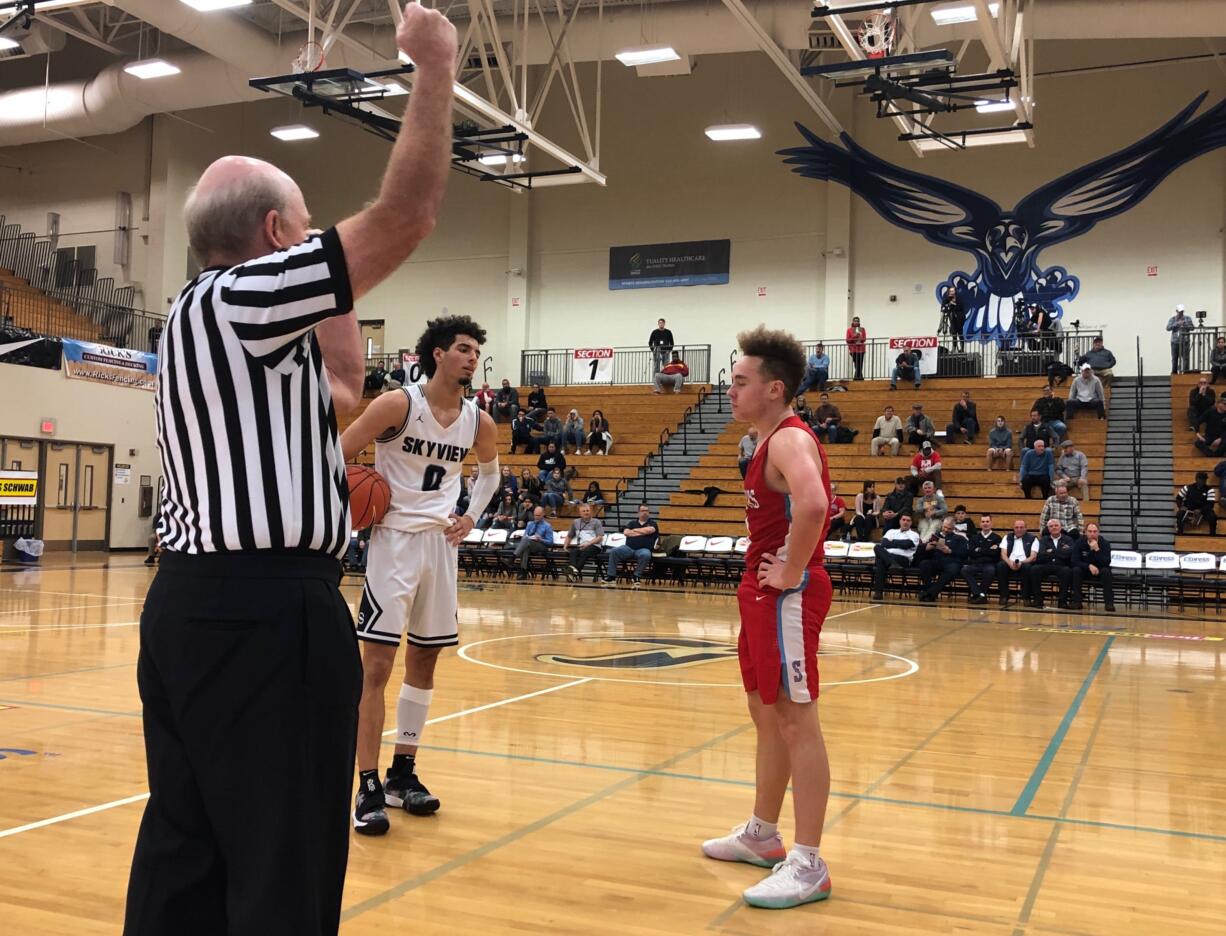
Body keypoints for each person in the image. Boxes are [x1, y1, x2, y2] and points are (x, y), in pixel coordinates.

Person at [124, 6, 457, 931]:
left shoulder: (199, 319)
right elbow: (408, 216)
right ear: (275, 236)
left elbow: (347, 384)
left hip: (194, 608)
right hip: (263, 616)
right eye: (305, 233)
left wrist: (339, 278)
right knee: (285, 865)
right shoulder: (243, 303)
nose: (317, 249)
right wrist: (435, 68)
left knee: (187, 853)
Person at [341, 314, 500, 841]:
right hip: (393, 543)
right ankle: (365, 782)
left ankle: (400, 773)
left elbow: (492, 473)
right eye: (462, 348)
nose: (471, 357)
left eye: (476, 350)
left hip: (440, 545)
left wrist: (472, 515)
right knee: (377, 665)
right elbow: (337, 453)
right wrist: (347, 510)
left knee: (425, 660)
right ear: (437, 354)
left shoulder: (479, 420)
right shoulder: (397, 404)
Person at [702, 325, 834, 910]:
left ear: (774, 389)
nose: (730, 391)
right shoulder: (765, 440)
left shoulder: (787, 440)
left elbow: (815, 504)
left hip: (787, 595)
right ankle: (763, 834)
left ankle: (809, 863)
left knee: (794, 720)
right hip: (761, 594)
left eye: (739, 382)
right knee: (764, 713)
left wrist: (791, 572)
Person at [1025, 518, 1076, 610]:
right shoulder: (1043, 540)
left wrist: (1051, 552)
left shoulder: (1069, 539)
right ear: (1048, 529)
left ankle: (1062, 601)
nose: (1054, 527)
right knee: (1034, 569)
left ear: (1061, 527)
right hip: (1046, 565)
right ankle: (1038, 600)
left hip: (1062, 565)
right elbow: (1040, 555)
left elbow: (1069, 554)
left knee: (1067, 571)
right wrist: (1060, 552)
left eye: (1056, 525)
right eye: (1051, 526)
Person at [603, 504, 659, 586]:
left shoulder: (653, 523)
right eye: (643, 511)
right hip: (628, 548)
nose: (645, 513)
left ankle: (636, 576)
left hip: (643, 549)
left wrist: (634, 531)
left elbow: (649, 530)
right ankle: (611, 576)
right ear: (638, 512)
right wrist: (642, 532)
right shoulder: (632, 523)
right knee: (614, 551)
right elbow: (626, 532)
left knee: (646, 554)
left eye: (647, 511)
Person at [916, 516, 968, 602]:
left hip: (952, 562)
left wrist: (950, 551)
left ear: (953, 528)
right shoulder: (935, 537)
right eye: (944, 527)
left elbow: (964, 553)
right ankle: (930, 591)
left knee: (951, 569)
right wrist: (927, 548)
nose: (946, 530)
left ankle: (929, 593)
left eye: (949, 528)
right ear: (942, 525)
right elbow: (920, 552)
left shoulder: (960, 538)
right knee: (924, 563)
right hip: (937, 561)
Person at [870, 513, 920, 600]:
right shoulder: (891, 531)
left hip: (903, 559)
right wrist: (900, 543)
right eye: (903, 520)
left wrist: (892, 542)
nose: (905, 522)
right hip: (889, 557)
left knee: (881, 561)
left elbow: (907, 544)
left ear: (911, 523)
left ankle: (878, 592)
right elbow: (884, 543)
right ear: (900, 521)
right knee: (877, 547)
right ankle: (893, 564)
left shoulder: (914, 534)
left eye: (908, 520)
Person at [1072, 522, 1116, 612]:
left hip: (1100, 569)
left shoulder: (1105, 543)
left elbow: (1106, 562)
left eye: (1095, 531)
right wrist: (1088, 566)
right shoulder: (1079, 542)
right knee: (1076, 570)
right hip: (1085, 569)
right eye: (1090, 531)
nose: (1092, 534)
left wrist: (1097, 550)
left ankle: (1109, 603)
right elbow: (1074, 561)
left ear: (1098, 532)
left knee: (1106, 571)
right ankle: (1077, 602)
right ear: (1085, 532)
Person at [996, 519, 1039, 608]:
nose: (1019, 529)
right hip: (1009, 563)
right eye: (1016, 527)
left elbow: (1033, 557)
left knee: (1028, 568)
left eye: (1021, 527)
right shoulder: (1007, 537)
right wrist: (1010, 563)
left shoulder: (1033, 538)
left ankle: (1026, 597)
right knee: (1000, 566)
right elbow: (1003, 554)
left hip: (1024, 563)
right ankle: (1004, 595)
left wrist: (1020, 563)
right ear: (1013, 528)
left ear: (1026, 528)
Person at [962, 514, 1002, 604]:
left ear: (991, 523)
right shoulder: (974, 537)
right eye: (983, 522)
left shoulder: (997, 538)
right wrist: (988, 550)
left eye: (987, 521)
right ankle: (980, 594)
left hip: (989, 564)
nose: (985, 524)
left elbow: (995, 554)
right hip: (976, 563)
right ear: (980, 524)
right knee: (964, 570)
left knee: (990, 571)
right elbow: (971, 553)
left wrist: (979, 549)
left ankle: (978, 595)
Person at [563, 502, 605, 581]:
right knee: (573, 552)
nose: (586, 512)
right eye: (584, 511)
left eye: (587, 510)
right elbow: (570, 535)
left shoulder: (597, 522)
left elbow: (600, 537)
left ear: (590, 511)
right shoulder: (575, 522)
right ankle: (574, 572)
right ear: (580, 513)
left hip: (595, 546)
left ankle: (573, 571)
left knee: (584, 552)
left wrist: (588, 543)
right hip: (582, 545)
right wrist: (565, 546)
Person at [510, 506, 554, 578]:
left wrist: (540, 539)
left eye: (538, 515)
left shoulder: (547, 526)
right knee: (526, 548)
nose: (536, 517)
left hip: (541, 546)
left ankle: (512, 558)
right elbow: (524, 536)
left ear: (543, 514)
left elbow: (550, 543)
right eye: (535, 515)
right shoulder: (530, 524)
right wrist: (524, 537)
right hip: (529, 544)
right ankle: (523, 571)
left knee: (526, 542)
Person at [1176, 471, 1218, 535]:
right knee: (1179, 513)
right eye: (1201, 479)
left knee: (1213, 517)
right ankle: (1180, 533)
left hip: (1203, 510)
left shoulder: (1210, 490)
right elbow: (1178, 498)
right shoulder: (1187, 487)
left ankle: (1213, 534)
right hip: (1189, 509)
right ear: (1196, 479)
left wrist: (1201, 510)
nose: (1203, 481)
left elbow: (1210, 504)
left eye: (1204, 479)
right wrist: (1181, 506)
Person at [1167, 304, 1194, 375]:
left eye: (1182, 311)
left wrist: (1185, 324)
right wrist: (1177, 324)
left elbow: (1192, 328)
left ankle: (1186, 372)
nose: (1181, 313)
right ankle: (1174, 372)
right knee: (1174, 358)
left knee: (1185, 358)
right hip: (1175, 341)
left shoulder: (1188, 318)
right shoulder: (1172, 319)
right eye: (1179, 311)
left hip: (1185, 341)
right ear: (1176, 311)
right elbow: (1168, 328)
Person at [941, 286, 965, 351]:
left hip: (959, 317)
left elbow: (961, 307)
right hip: (951, 318)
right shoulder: (947, 298)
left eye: (952, 291)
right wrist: (949, 303)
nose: (951, 292)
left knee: (960, 332)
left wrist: (954, 304)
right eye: (950, 291)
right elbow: (943, 308)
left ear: (955, 291)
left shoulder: (959, 298)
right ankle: (954, 348)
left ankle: (962, 348)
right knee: (954, 333)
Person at [846, 316, 867, 381]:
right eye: (855, 321)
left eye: (857, 321)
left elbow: (864, 339)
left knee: (860, 363)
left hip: (861, 349)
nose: (856, 322)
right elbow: (848, 340)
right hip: (853, 349)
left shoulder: (862, 329)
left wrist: (860, 337)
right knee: (857, 363)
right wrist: (854, 336)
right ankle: (859, 377)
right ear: (852, 322)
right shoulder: (849, 330)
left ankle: (857, 377)